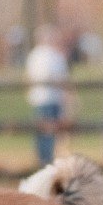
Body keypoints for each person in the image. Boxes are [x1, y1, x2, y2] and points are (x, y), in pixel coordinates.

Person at [25, 25, 70, 165]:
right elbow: (61, 78)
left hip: (41, 98)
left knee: (44, 130)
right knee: (48, 130)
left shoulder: (35, 55)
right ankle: (46, 160)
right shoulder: (53, 56)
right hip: (50, 98)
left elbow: (29, 76)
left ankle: (43, 159)